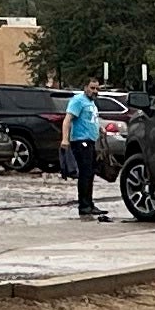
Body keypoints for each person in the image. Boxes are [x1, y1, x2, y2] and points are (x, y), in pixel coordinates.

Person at [60, 82, 106, 218]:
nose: (95, 91)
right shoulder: (78, 101)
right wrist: (65, 139)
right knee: (85, 174)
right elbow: (67, 120)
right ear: (85, 88)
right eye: (92, 88)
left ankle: (89, 204)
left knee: (90, 173)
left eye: (97, 88)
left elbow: (90, 120)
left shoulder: (91, 103)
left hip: (91, 141)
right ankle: (84, 206)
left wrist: (100, 129)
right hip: (81, 141)